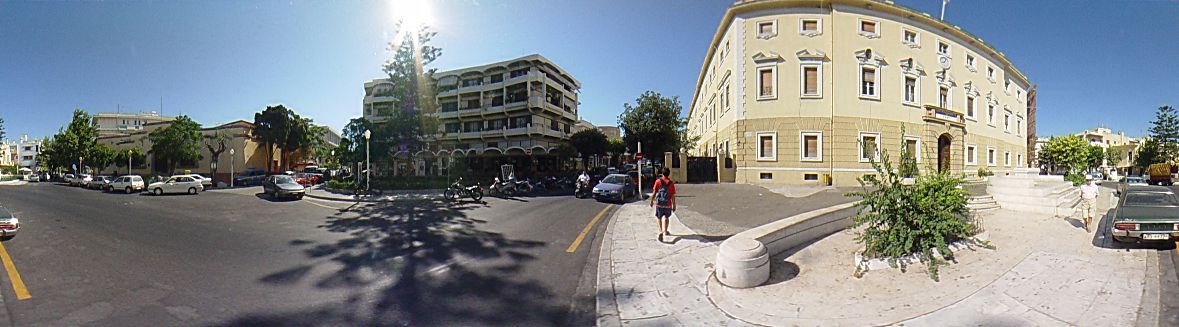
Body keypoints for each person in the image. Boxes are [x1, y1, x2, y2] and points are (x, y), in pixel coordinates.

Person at [649, 167, 676, 242]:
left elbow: (654, 193)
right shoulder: (671, 183)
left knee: (658, 217)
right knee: (667, 218)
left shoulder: (658, 181)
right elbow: (673, 195)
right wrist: (674, 205)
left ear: (662, 173)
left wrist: (651, 201)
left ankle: (660, 231)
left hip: (659, 204)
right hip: (668, 204)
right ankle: (665, 231)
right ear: (669, 174)